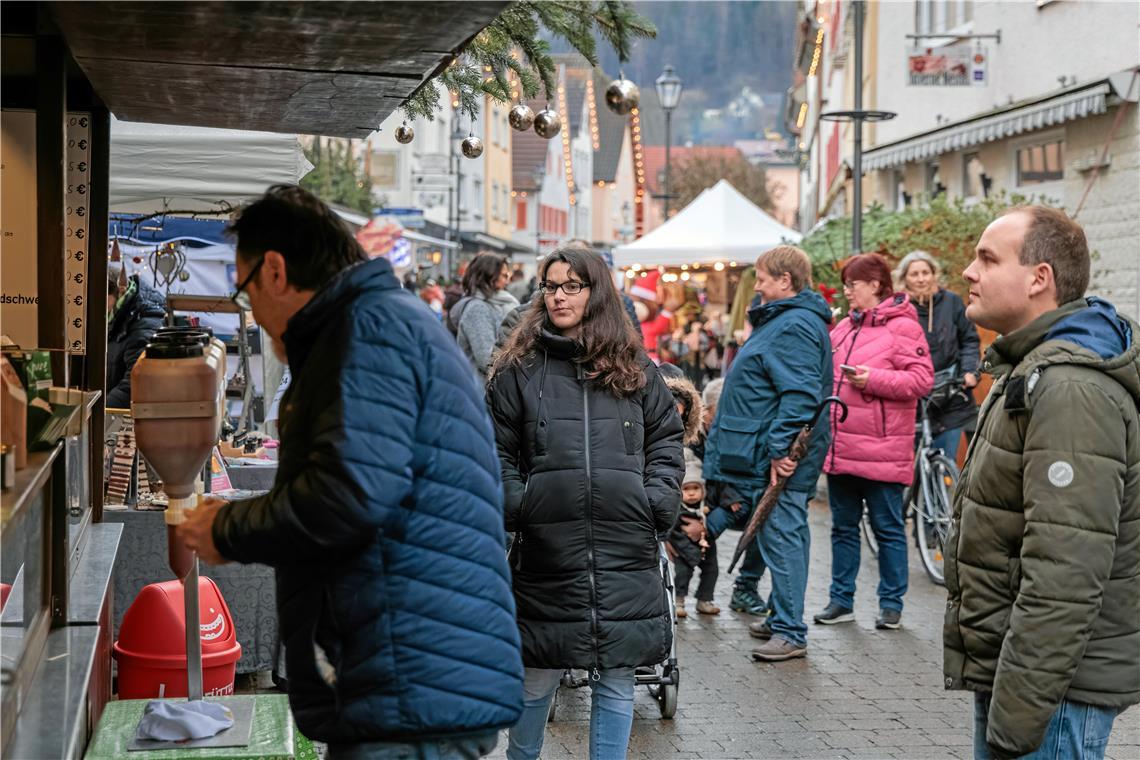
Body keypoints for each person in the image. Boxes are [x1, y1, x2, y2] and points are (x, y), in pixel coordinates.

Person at [176, 185, 523, 758]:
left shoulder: (369, 331)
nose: (254, 314)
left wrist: (225, 529)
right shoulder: (376, 323)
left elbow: (347, 496)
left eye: (245, 295)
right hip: (408, 674)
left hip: (409, 680)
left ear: (276, 270)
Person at [944, 205, 1139, 760]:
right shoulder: (1033, 370)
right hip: (1027, 683)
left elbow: (1065, 572)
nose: (968, 272)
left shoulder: (1070, 389)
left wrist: (1017, 719)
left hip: (1049, 698)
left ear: (1039, 278)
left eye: (987, 257)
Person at [488, 245, 683, 760]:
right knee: (537, 674)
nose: (558, 296)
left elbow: (667, 438)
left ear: (596, 292)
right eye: (551, 286)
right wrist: (521, 502)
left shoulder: (634, 366)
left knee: (618, 679)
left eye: (571, 286)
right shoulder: (519, 371)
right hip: (550, 548)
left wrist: (656, 500)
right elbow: (496, 450)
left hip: (625, 544)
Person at [703, 245, 833, 661]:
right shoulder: (786, 320)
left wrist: (780, 450)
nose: (756, 286)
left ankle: (791, 631)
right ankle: (781, 618)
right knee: (784, 531)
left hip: (776, 453)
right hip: (767, 448)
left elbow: (798, 396)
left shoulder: (793, 325)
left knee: (783, 533)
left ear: (785, 281)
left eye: (761, 278)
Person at [817, 253, 933, 631]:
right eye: (846, 285)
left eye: (853, 284)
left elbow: (921, 380)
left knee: (887, 528)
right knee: (843, 528)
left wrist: (874, 379)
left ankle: (891, 604)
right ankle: (840, 601)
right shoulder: (843, 328)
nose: (847, 291)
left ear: (875, 285)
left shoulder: (903, 327)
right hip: (842, 448)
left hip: (882, 450)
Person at [895, 250, 981, 462]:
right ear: (904, 278)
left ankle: (942, 490)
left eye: (926, 272)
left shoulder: (951, 302)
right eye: (914, 274)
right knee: (914, 469)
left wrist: (969, 371)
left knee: (945, 465)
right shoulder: (898, 309)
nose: (921, 278)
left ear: (935, 275)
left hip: (951, 395)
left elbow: (969, 339)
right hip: (913, 400)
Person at [105, 261, 166, 408]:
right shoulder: (117, 317)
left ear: (120, 291)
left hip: (127, 418)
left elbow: (134, 385)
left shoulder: (145, 325)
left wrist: (96, 413)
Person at [450, 252, 519, 382]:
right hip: (481, 392)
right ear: (490, 275)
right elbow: (486, 359)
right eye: (504, 276)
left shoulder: (496, 304)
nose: (507, 281)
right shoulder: (478, 308)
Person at [668, 454, 719, 617]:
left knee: (711, 571)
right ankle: (679, 600)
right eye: (686, 489)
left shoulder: (707, 506)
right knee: (683, 574)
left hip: (706, 547)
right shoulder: (677, 507)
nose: (691, 493)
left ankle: (704, 599)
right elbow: (668, 526)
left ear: (703, 490)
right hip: (683, 547)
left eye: (695, 489)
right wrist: (666, 539)